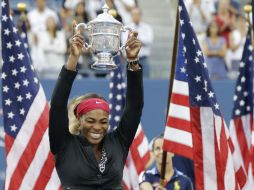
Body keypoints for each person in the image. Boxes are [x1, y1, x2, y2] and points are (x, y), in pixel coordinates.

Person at [49, 20, 143, 189]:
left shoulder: (118, 142)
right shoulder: (64, 144)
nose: (97, 127)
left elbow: (135, 107)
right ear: (79, 119)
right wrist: (73, 58)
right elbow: (57, 105)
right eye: (90, 121)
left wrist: (133, 60)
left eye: (103, 121)